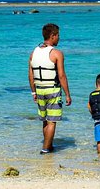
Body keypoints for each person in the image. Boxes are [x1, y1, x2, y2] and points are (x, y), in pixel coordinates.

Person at [28, 23, 72, 154]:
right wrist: (68, 94)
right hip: (52, 89)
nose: (59, 38)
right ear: (52, 36)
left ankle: (49, 145)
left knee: (45, 121)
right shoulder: (56, 53)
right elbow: (62, 76)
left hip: (40, 89)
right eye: (58, 35)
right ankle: (46, 149)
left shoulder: (33, 53)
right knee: (52, 121)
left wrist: (33, 91)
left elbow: (31, 75)